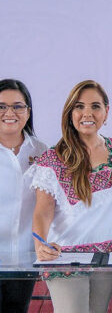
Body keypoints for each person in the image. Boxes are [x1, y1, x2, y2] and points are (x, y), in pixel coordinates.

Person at [29, 80, 112, 313]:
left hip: (106, 257)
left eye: (95, 106)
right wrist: (40, 244)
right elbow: (43, 211)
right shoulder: (52, 159)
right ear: (70, 113)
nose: (87, 113)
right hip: (65, 257)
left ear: (106, 112)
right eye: (79, 107)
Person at [0, 79, 47, 313]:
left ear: (28, 112)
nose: (10, 112)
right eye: (1, 106)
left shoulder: (41, 151)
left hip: (24, 260)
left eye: (18, 106)